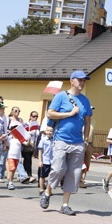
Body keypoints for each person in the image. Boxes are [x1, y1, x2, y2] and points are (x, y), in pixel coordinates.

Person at [39, 70, 93, 216]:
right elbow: (50, 113)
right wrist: (69, 113)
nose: (82, 82)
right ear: (72, 81)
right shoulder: (61, 96)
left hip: (77, 142)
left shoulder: (86, 101)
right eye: (80, 80)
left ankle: (65, 205)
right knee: (58, 169)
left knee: (73, 173)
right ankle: (47, 192)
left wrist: (85, 140)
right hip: (61, 139)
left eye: (84, 80)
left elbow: (88, 121)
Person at [20, 111, 39, 185]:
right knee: (26, 160)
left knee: (28, 160)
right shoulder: (26, 124)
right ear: (30, 116)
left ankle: (27, 174)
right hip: (26, 144)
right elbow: (23, 133)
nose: (35, 118)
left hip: (33, 145)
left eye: (36, 116)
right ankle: (27, 175)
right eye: (33, 116)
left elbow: (38, 135)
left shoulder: (37, 125)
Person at [37, 118, 53, 196]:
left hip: (52, 161)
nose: (49, 132)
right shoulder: (43, 140)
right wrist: (40, 161)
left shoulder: (54, 140)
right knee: (42, 175)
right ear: (45, 131)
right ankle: (41, 189)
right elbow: (40, 151)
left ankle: (48, 189)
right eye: (48, 131)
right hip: (45, 160)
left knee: (51, 176)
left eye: (51, 131)